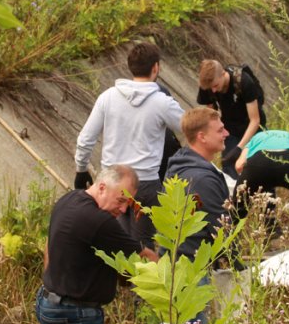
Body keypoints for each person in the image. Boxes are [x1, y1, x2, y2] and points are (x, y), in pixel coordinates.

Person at [36, 165, 159, 324]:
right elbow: (146, 257)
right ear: (102, 187)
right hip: (74, 315)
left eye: (128, 205)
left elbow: (49, 246)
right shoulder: (98, 221)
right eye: (121, 201)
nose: (123, 210)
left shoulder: (68, 200)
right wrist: (173, 283)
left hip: (51, 303)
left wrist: (53, 284)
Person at [75, 42, 185, 248]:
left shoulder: (107, 97)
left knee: (111, 244)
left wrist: (81, 169)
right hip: (145, 184)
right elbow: (190, 127)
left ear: (130, 67)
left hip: (111, 181)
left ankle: (116, 280)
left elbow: (85, 139)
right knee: (141, 247)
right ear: (156, 67)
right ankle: (142, 280)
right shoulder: (162, 102)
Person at [165, 107, 232, 260]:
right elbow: (221, 231)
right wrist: (242, 272)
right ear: (202, 137)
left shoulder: (180, 164)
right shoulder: (201, 180)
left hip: (177, 260)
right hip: (193, 266)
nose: (226, 134)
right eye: (220, 130)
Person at [196, 59, 266, 180]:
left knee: (260, 168)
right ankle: (237, 197)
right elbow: (212, 113)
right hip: (231, 130)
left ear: (223, 74)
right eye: (210, 88)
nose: (213, 90)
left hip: (254, 129)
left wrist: (239, 148)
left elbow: (255, 120)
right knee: (230, 166)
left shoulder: (243, 82)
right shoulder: (208, 86)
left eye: (215, 86)